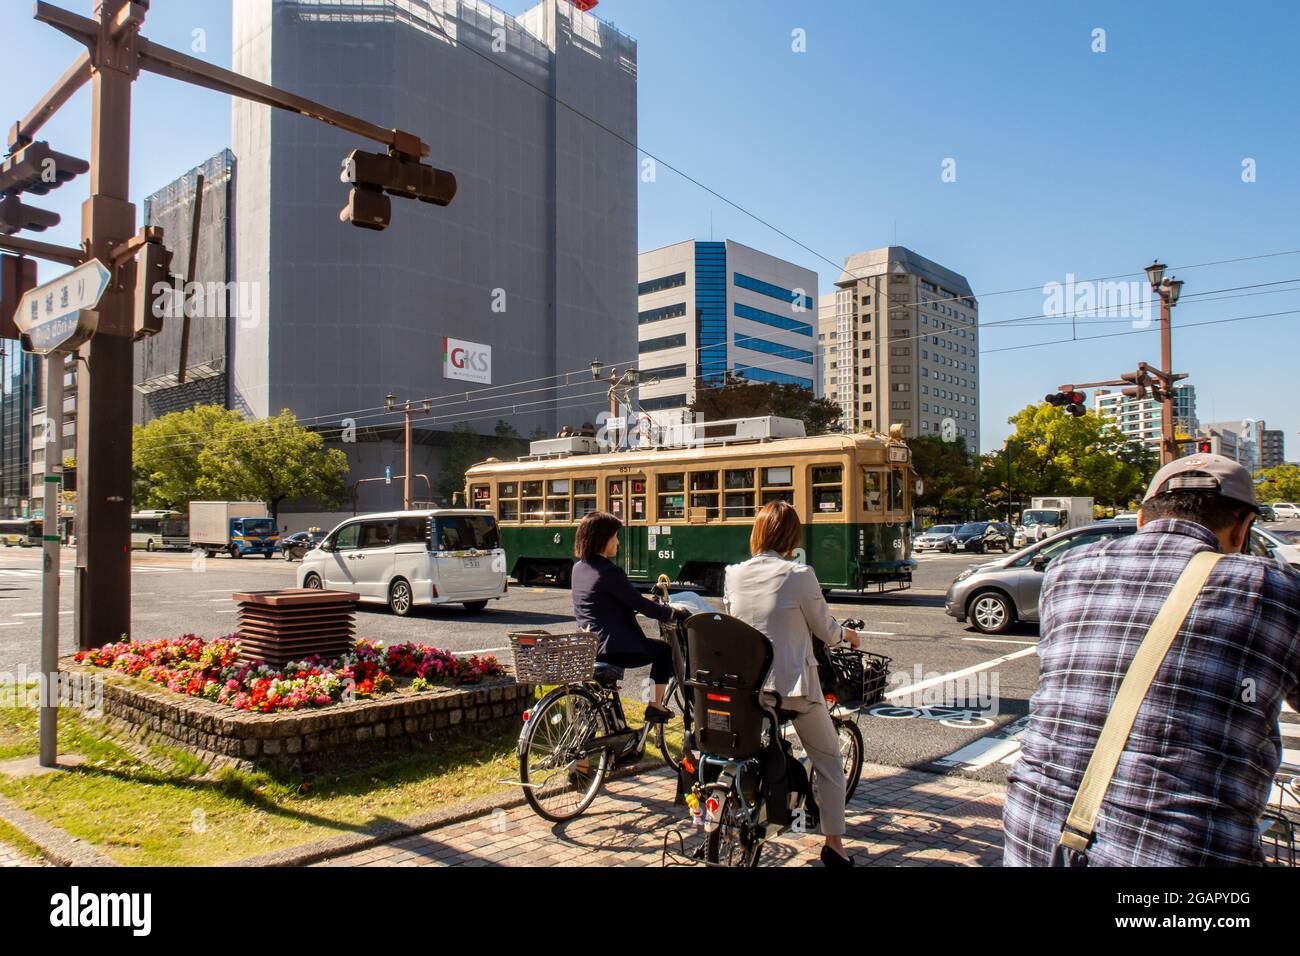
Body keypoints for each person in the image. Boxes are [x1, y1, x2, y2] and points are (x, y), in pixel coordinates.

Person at [1004, 454, 1300, 866]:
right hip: (1186, 846)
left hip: (1036, 830)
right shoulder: (1276, 589)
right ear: (1243, 527)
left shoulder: (1067, 569)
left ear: (1143, 518)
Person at [722, 500, 862, 868]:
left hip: (747, 689)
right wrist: (849, 635)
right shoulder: (799, 575)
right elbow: (827, 631)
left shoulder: (733, 573)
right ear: (791, 536)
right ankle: (834, 845)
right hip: (792, 689)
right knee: (830, 762)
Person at [570, 511, 678, 722]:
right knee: (664, 651)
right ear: (603, 539)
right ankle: (655, 706)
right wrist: (669, 613)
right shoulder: (610, 572)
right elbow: (638, 603)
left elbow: (606, 602)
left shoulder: (578, 569)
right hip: (613, 649)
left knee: (599, 701)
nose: (618, 542)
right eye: (615, 536)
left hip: (588, 646)